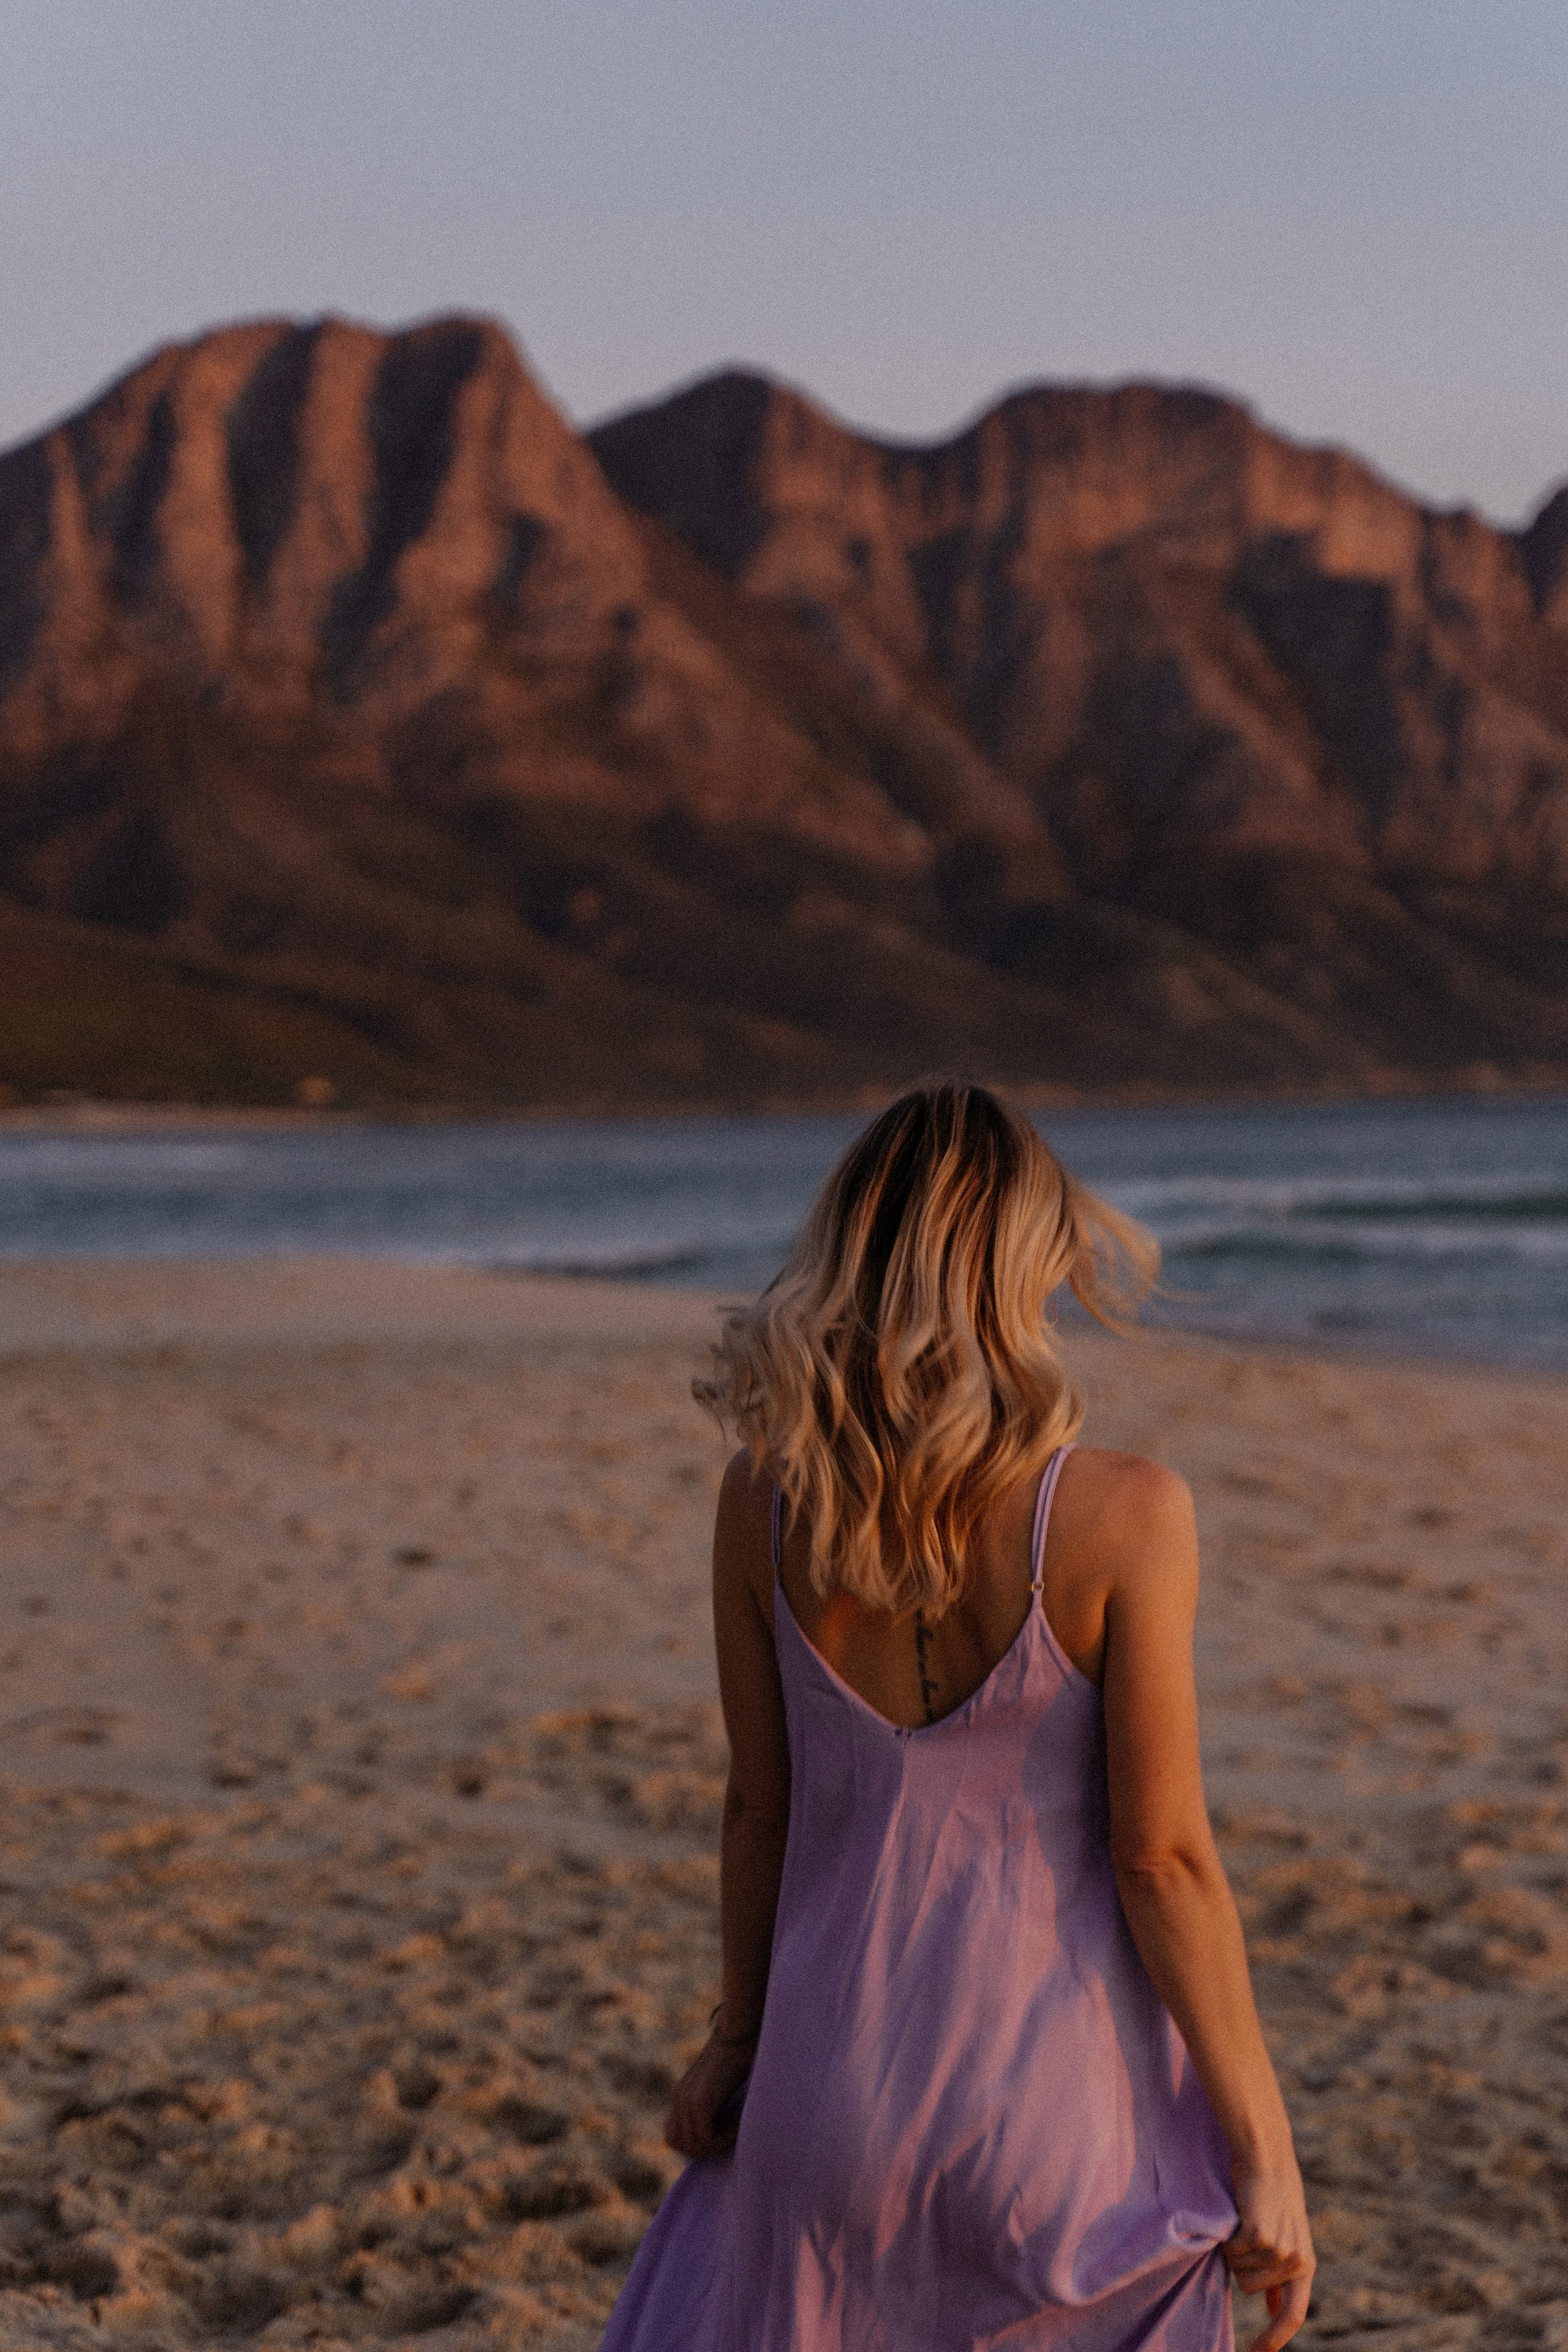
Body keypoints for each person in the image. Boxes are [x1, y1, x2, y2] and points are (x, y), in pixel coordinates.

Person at [600, 1083, 1314, 2352]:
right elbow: (1162, 1861)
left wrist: (733, 2041)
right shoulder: (1126, 1514)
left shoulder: (762, 1506)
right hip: (1055, 2130)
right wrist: (1262, 2151)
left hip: (822, 2102)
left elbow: (756, 1807)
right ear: (1031, 1262)